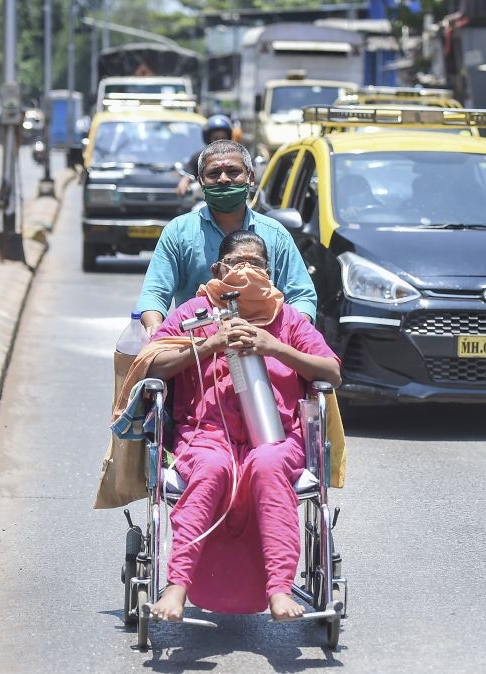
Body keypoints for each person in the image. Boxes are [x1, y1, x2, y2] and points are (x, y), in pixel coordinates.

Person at [117, 230, 342, 622]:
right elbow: (151, 364)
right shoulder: (193, 313)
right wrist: (209, 344)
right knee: (211, 469)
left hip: (276, 439)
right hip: (205, 437)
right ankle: (176, 586)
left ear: (270, 273)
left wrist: (274, 348)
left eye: (256, 264)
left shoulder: (286, 319)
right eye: (238, 262)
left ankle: (279, 590)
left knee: (269, 466)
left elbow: (331, 372)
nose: (247, 270)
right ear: (219, 268)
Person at [136, 139, 317, 338]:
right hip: (198, 350)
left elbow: (302, 296)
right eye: (214, 174)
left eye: (233, 172)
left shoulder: (275, 234)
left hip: (265, 347)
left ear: (251, 178)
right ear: (201, 181)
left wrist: (292, 335)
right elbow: (154, 293)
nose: (223, 179)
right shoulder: (178, 232)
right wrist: (155, 333)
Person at [174, 114, 234, 197]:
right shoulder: (199, 157)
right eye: (215, 138)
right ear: (208, 139)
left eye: (223, 138)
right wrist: (184, 183)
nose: (220, 141)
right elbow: (187, 177)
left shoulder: (236, 157)